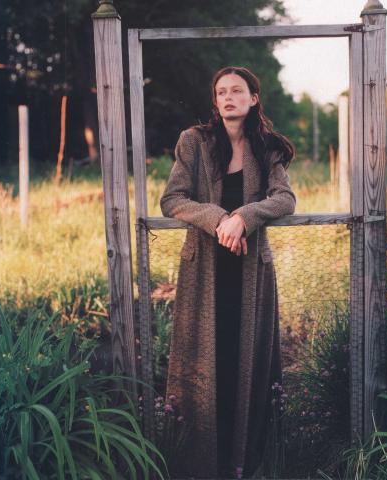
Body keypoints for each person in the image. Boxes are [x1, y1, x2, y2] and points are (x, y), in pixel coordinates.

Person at [160, 66, 296, 479]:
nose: (229, 97)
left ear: (254, 98)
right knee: (204, 364)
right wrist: (221, 219)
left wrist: (246, 216)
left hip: (251, 273)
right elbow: (173, 200)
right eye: (221, 92)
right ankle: (198, 464)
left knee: (246, 363)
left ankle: (245, 463)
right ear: (215, 101)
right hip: (205, 273)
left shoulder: (267, 146)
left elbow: (285, 199)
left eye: (237, 91)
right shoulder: (194, 142)